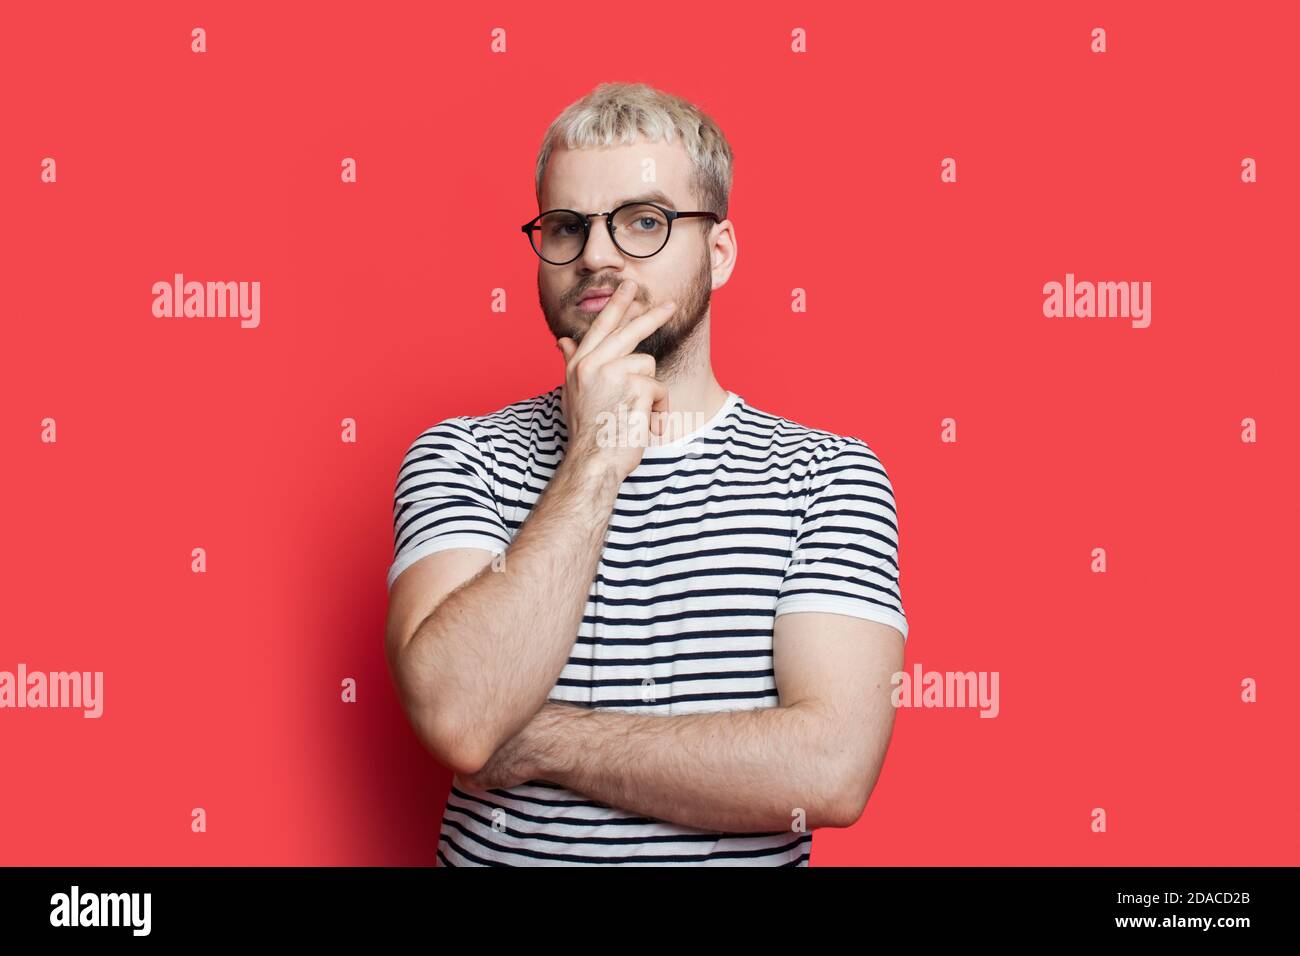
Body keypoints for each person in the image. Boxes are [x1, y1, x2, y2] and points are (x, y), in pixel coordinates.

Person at [384, 82, 908, 866]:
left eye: (642, 221)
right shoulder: (461, 457)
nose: (596, 254)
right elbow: (461, 717)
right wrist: (597, 453)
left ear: (718, 252)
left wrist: (539, 738)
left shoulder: (826, 477)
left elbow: (829, 772)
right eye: (566, 226)